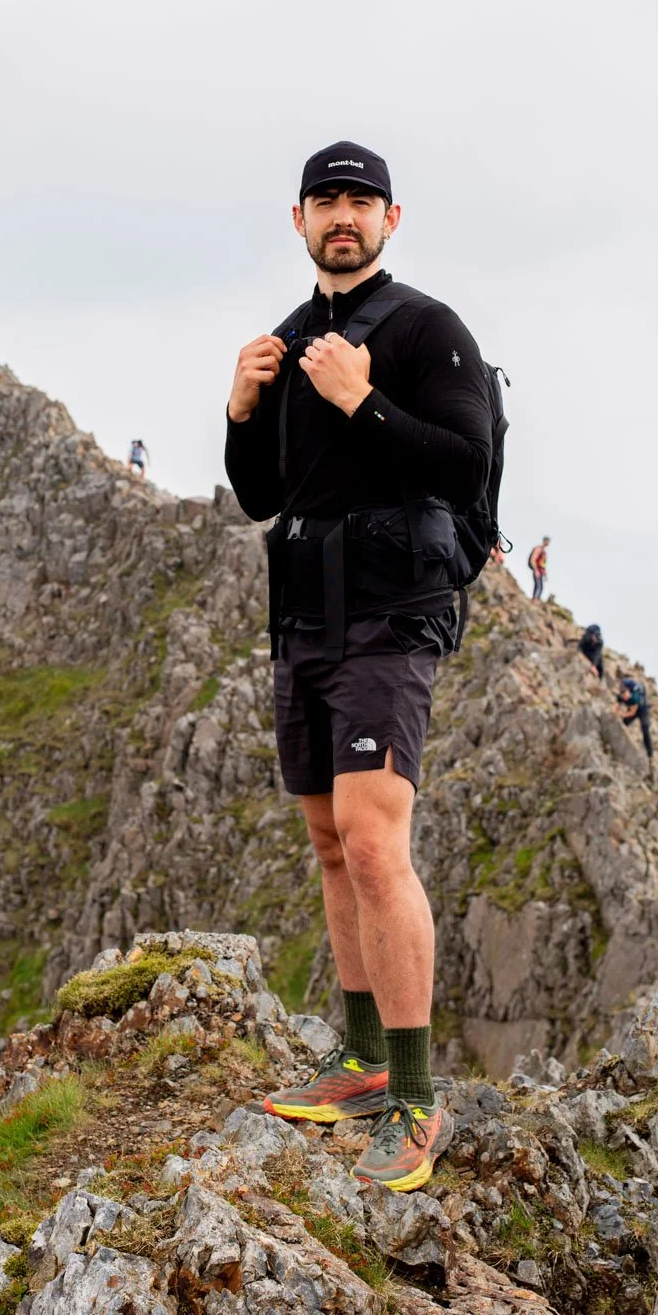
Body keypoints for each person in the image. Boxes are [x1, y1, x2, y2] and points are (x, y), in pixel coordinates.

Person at [224, 139, 495, 1192]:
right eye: (327, 201)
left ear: (392, 219)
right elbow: (263, 492)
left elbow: (464, 462)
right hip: (305, 617)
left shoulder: (430, 330)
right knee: (331, 843)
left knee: (377, 842)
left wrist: (362, 401)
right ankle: (361, 1059)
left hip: (393, 610)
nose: (345, 216)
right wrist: (243, 411)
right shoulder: (289, 341)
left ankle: (417, 1097)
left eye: (362, 201)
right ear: (299, 221)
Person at [616, 673, 653, 766]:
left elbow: (632, 712)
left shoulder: (635, 697)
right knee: (624, 723)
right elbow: (617, 705)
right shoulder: (623, 687)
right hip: (633, 706)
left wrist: (621, 714)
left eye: (626, 697)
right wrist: (615, 714)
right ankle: (621, 743)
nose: (625, 698)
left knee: (645, 729)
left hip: (642, 709)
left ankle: (650, 754)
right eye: (624, 697)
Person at [527, 535, 550, 600]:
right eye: (547, 541)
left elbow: (543, 565)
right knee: (539, 586)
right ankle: (535, 599)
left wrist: (545, 574)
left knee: (540, 586)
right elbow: (533, 559)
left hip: (540, 571)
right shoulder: (539, 549)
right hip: (537, 570)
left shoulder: (543, 551)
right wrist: (536, 570)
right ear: (544, 541)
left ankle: (536, 599)